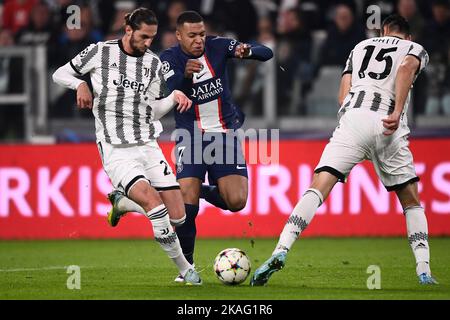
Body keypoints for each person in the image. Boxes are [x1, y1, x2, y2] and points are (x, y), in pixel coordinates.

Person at [250, 14, 438, 286]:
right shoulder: (414, 48)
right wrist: (397, 111)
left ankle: (280, 250)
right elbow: (407, 68)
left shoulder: (360, 48)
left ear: (383, 30)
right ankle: (423, 270)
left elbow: (342, 96)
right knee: (410, 201)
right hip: (387, 124)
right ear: (406, 35)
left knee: (317, 187)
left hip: (352, 120)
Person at [51, 7, 202, 285]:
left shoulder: (153, 64)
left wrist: (173, 97)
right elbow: (59, 74)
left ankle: (122, 202)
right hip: (116, 148)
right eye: (144, 37)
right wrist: (80, 85)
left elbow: (151, 111)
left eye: (152, 38)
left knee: (179, 217)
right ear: (128, 30)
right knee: (155, 207)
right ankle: (186, 270)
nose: (148, 43)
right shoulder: (100, 52)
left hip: (147, 144)